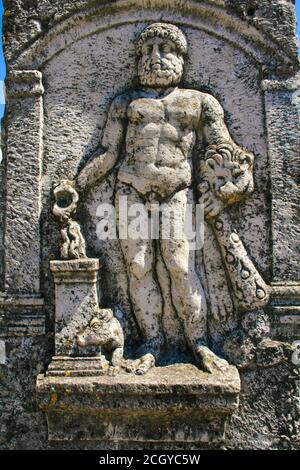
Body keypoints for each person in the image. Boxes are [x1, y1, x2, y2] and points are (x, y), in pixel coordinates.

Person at [76, 23, 253, 374]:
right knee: (139, 268)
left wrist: (234, 190)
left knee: (180, 267)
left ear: (181, 57)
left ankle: (199, 342)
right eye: (147, 50)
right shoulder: (124, 103)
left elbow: (229, 155)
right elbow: (108, 153)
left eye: (165, 49)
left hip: (177, 194)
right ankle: (152, 342)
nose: (155, 57)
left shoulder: (200, 102)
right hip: (130, 191)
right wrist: (76, 186)